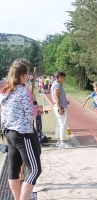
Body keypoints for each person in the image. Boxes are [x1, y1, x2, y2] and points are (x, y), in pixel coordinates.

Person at [0, 58, 42, 200]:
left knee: (14, 169)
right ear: (23, 75)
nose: (29, 77)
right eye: (28, 74)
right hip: (22, 133)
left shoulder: (5, 91)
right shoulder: (23, 91)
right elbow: (31, 115)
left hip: (9, 132)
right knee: (34, 169)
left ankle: (18, 198)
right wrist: (35, 102)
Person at [51, 71, 71, 148]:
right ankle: (62, 142)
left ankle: (59, 141)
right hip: (60, 107)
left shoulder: (55, 84)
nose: (64, 79)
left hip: (59, 106)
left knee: (59, 125)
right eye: (63, 77)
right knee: (63, 125)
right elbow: (56, 97)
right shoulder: (57, 86)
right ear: (59, 77)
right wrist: (60, 108)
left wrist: (65, 101)